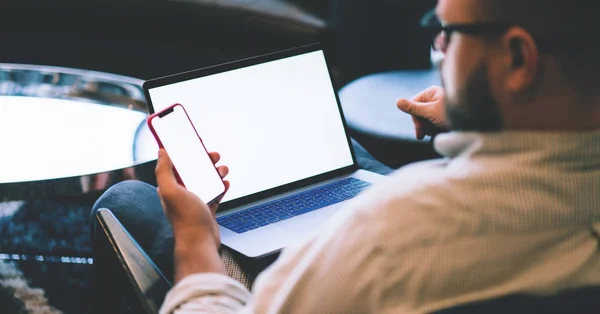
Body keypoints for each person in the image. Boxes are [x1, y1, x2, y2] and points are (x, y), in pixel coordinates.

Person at [91, 0, 600, 312]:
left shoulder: (393, 236)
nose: (441, 47)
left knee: (128, 199)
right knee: (345, 158)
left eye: (450, 31)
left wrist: (197, 243)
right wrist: (494, 109)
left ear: (517, 59)